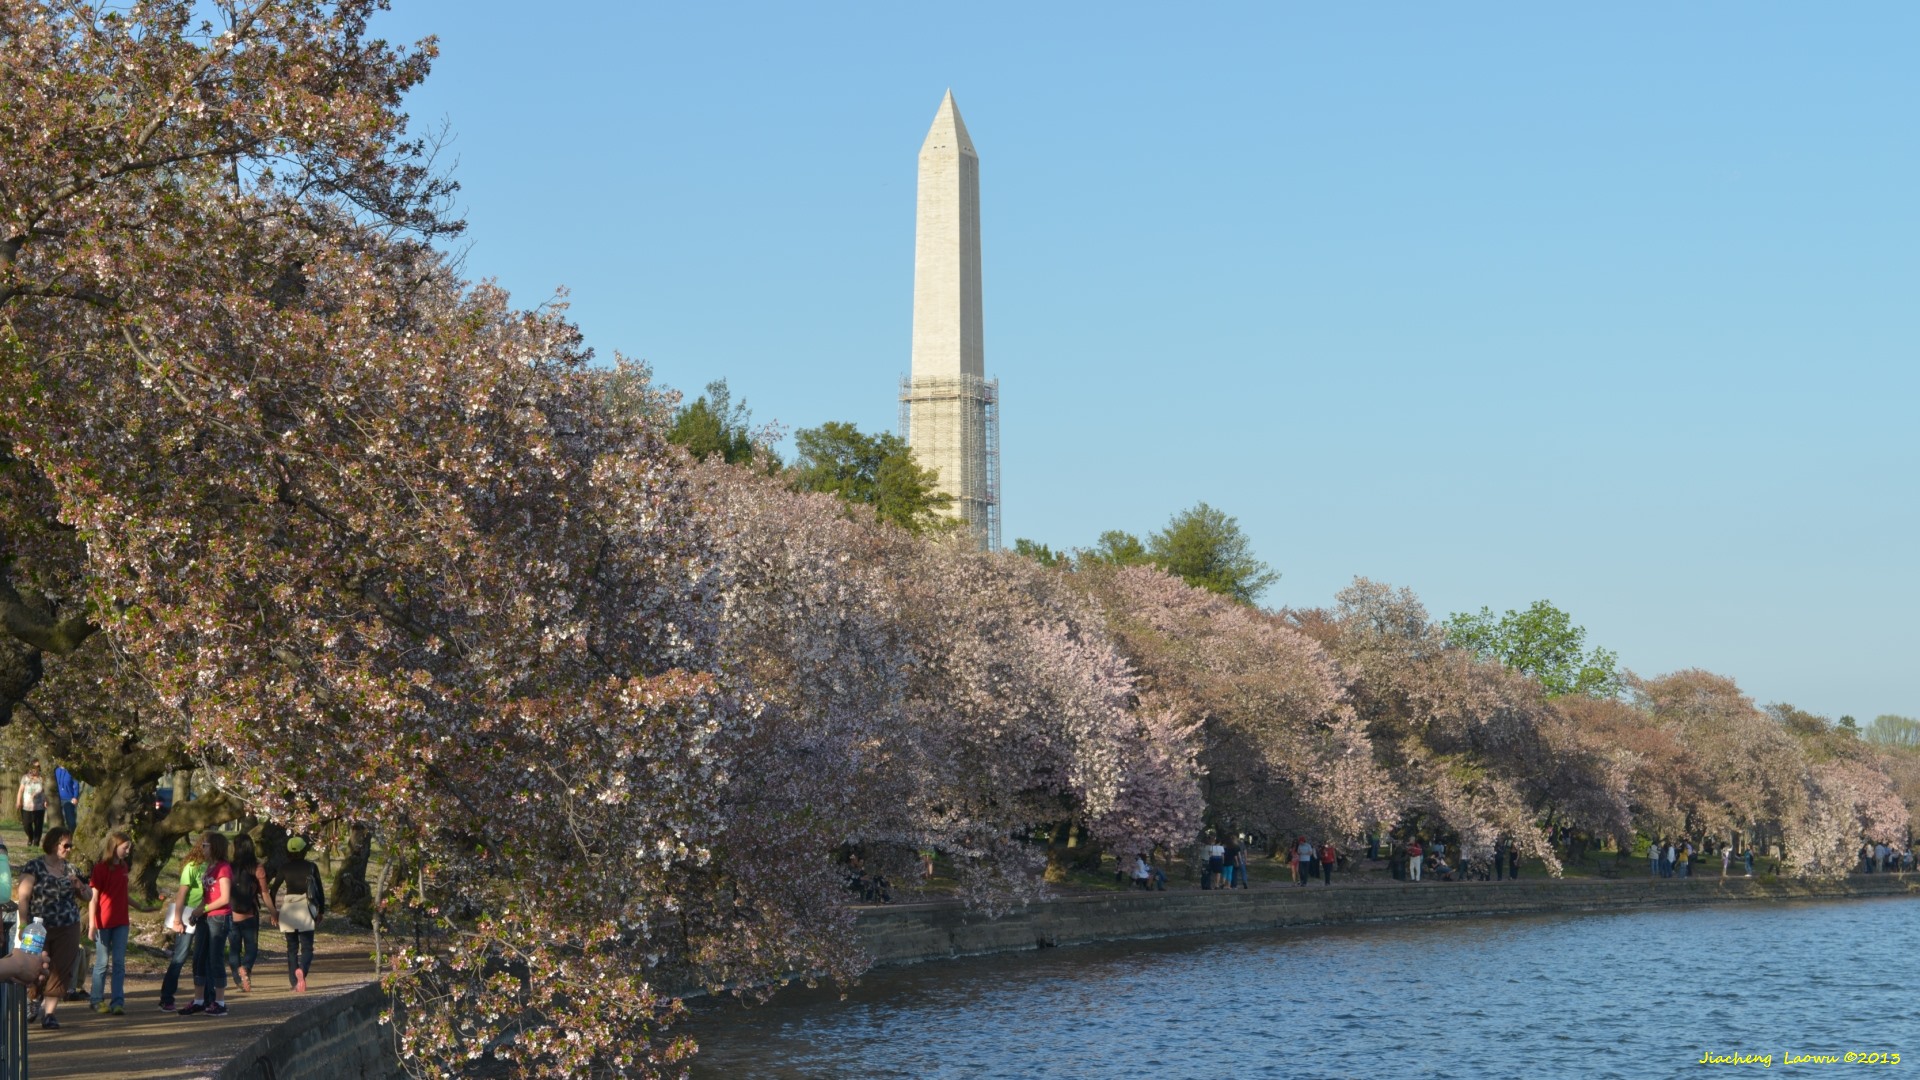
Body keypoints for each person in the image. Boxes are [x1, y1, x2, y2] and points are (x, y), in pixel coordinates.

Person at [14, 826, 92, 1028]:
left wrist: (80, 887)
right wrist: (23, 924)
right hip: (38, 926)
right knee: (38, 966)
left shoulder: (71, 869)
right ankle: (33, 999)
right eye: (66, 845)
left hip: (68, 926)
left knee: (61, 968)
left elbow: (89, 895)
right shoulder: (34, 867)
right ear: (54, 844)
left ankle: (49, 1014)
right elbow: (23, 897)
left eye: (70, 845)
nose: (69, 849)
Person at [181, 831, 233, 1016]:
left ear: (215, 847)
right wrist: (198, 911)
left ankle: (219, 1001)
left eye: (205, 845)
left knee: (215, 958)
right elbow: (207, 895)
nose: (202, 848)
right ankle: (199, 1000)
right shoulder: (209, 867)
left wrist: (204, 909)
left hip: (219, 917)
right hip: (205, 916)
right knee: (199, 958)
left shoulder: (223, 868)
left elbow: (224, 898)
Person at [159, 832, 212, 1012]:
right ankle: (166, 997)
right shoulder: (192, 866)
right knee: (180, 957)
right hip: (189, 913)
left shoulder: (214, 867)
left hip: (207, 914)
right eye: (206, 845)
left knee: (203, 958)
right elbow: (182, 894)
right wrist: (177, 919)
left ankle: (204, 997)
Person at [270, 837, 324, 992]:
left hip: (288, 908)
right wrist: (321, 911)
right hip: (305, 908)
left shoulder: (284, 868)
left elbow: (273, 890)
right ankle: (302, 971)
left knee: (291, 948)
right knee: (307, 947)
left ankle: (294, 982)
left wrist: (274, 911)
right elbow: (319, 890)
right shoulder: (311, 867)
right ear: (304, 851)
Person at [87, 829, 132, 1015]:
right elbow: (93, 898)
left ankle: (117, 1001)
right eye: (125, 847)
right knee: (102, 962)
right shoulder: (100, 868)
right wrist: (92, 924)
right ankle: (96, 999)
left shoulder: (124, 867)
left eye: (129, 848)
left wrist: (143, 907)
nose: (128, 851)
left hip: (122, 921)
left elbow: (123, 894)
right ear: (114, 847)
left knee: (119, 963)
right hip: (103, 922)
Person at [227, 833, 273, 993]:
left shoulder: (228, 868)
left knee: (234, 949)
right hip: (250, 914)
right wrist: (274, 912)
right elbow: (264, 893)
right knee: (251, 948)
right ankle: (246, 968)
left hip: (231, 914)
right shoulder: (257, 868)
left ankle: (238, 980)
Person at [15, 764, 47, 849]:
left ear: (38, 769)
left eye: (35, 769)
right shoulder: (25, 778)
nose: (33, 771)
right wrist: (18, 801)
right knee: (26, 825)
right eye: (32, 769)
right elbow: (20, 790)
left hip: (39, 806)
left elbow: (46, 791)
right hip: (26, 805)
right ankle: (30, 837)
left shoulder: (42, 778)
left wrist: (46, 801)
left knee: (38, 826)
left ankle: (36, 843)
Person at [53, 767, 80, 833]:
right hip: (57, 799)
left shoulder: (71, 770)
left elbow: (76, 784)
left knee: (71, 821)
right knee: (58, 821)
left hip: (68, 799)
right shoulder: (56, 770)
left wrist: (75, 797)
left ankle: (71, 836)